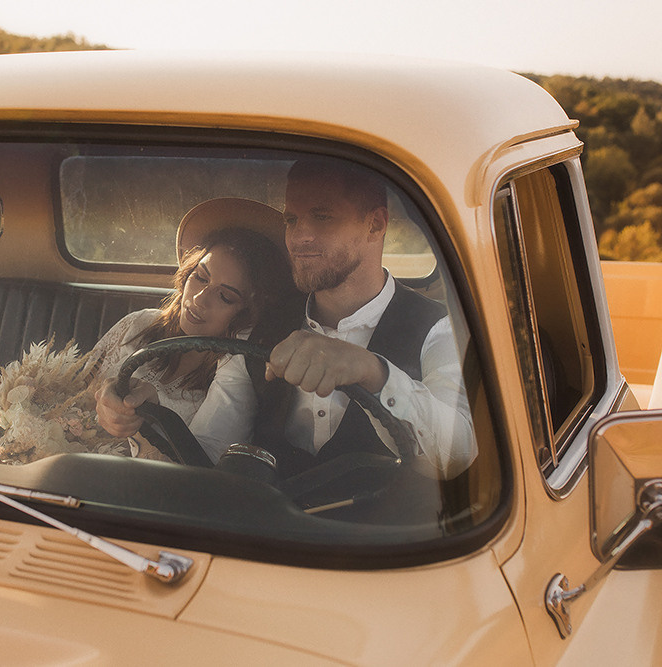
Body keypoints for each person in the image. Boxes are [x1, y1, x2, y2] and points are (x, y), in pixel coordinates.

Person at [97, 158, 477, 486]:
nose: (299, 236)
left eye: (322, 217)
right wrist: (150, 414)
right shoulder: (260, 330)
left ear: (375, 225)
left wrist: (372, 371)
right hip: (272, 538)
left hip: (384, 554)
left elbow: (459, 451)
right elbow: (208, 455)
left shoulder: (436, 327)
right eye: (292, 220)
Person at [91, 197, 298, 459]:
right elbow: (74, 387)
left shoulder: (236, 370)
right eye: (200, 277)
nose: (199, 298)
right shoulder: (139, 323)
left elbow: (199, 465)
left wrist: (148, 418)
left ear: (250, 313)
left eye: (225, 297)